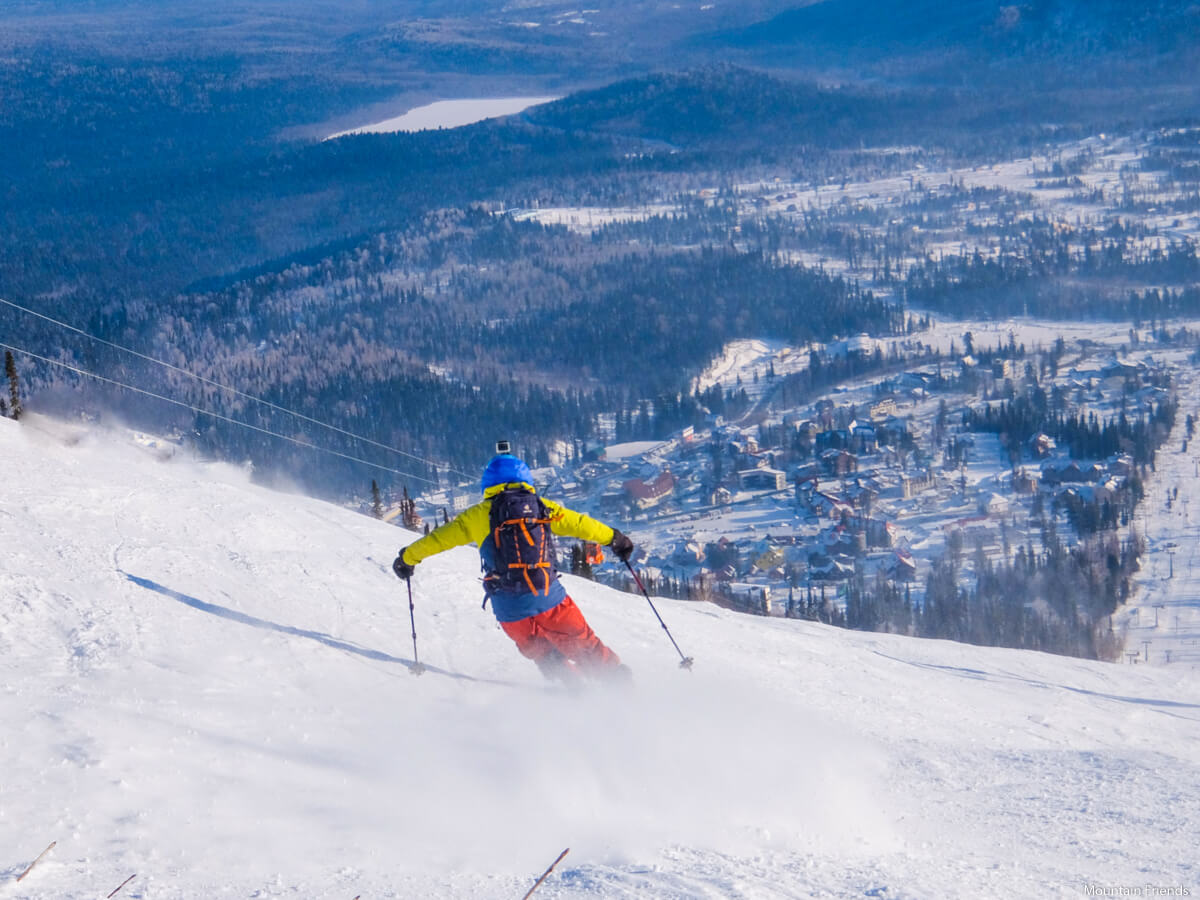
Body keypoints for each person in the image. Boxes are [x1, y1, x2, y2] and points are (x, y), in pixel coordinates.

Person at [393, 451, 635, 683]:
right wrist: (615, 539)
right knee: (584, 646)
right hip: (549, 598)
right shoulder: (543, 507)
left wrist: (408, 558)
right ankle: (618, 687)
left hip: (509, 608)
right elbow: (581, 525)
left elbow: (437, 540)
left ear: (488, 484)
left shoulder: (477, 516)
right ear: (526, 480)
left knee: (544, 654)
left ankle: (572, 692)